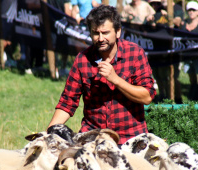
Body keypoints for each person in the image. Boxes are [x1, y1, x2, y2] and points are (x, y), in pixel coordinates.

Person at [48, 5, 156, 145]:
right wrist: (48, 134)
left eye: (105, 33)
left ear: (118, 32)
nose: (100, 38)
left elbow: (147, 96)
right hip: (93, 138)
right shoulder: (82, 60)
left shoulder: (135, 54)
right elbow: (67, 103)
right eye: (95, 33)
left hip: (131, 138)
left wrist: (115, 79)